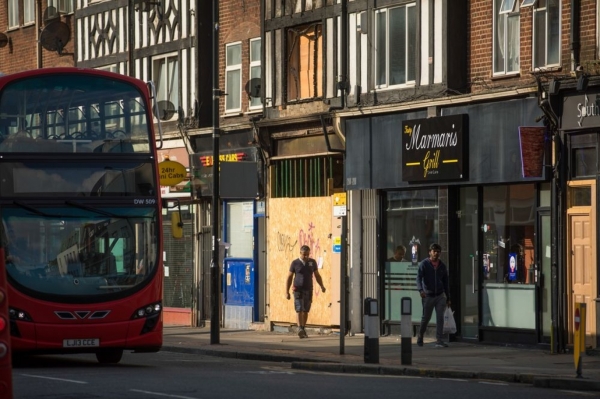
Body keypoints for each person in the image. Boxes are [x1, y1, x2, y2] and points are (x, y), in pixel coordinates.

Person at [285, 245, 326, 338]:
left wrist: (322, 286)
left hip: (309, 289)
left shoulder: (312, 262)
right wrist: (286, 291)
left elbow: (317, 275)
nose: (306, 256)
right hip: (298, 289)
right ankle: (300, 328)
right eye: (304, 255)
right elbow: (289, 277)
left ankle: (303, 328)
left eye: (307, 254)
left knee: (306, 310)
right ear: (300, 253)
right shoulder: (295, 263)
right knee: (299, 309)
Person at [416, 243, 451, 348]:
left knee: (440, 317)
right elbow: (418, 278)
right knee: (426, 318)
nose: (436, 253)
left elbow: (446, 282)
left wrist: (448, 297)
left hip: (440, 295)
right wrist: (421, 290)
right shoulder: (424, 264)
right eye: (434, 251)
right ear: (430, 252)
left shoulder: (442, 266)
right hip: (428, 295)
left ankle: (439, 340)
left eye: (438, 252)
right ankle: (420, 335)